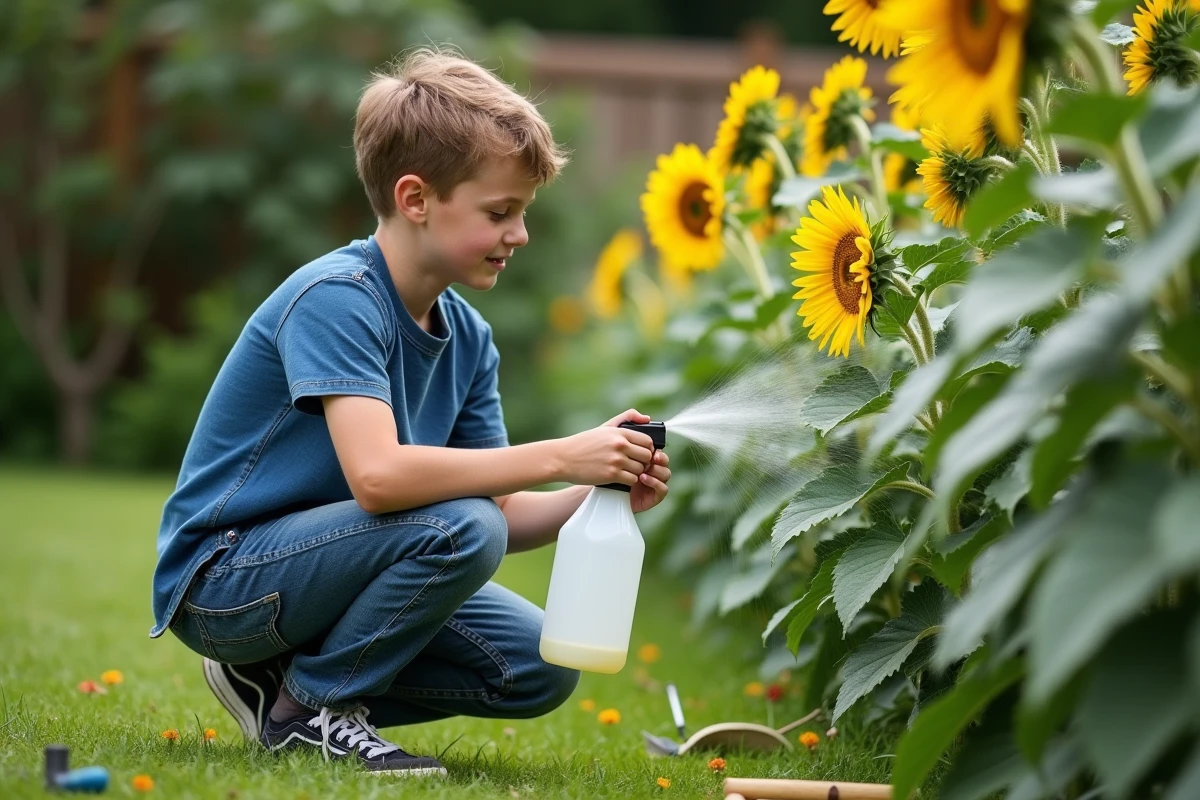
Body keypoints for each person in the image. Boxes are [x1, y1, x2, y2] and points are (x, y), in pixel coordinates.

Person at [149, 47, 671, 777]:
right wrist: (561, 452)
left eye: (521, 213)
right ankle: (310, 713)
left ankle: (278, 687)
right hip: (225, 580)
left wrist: (594, 486)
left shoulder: (469, 339)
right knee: (461, 523)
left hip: (324, 573)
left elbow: (501, 510)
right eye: (501, 212)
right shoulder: (336, 298)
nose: (519, 235)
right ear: (416, 199)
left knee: (537, 666)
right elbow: (381, 481)